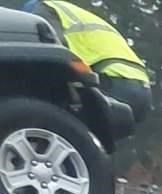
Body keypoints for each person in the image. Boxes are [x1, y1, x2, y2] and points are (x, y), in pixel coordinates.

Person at [21, 0, 150, 138]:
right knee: (89, 146)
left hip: (111, 80)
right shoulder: (71, 12)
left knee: (55, 123)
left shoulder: (43, 9)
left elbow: (51, 50)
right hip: (142, 88)